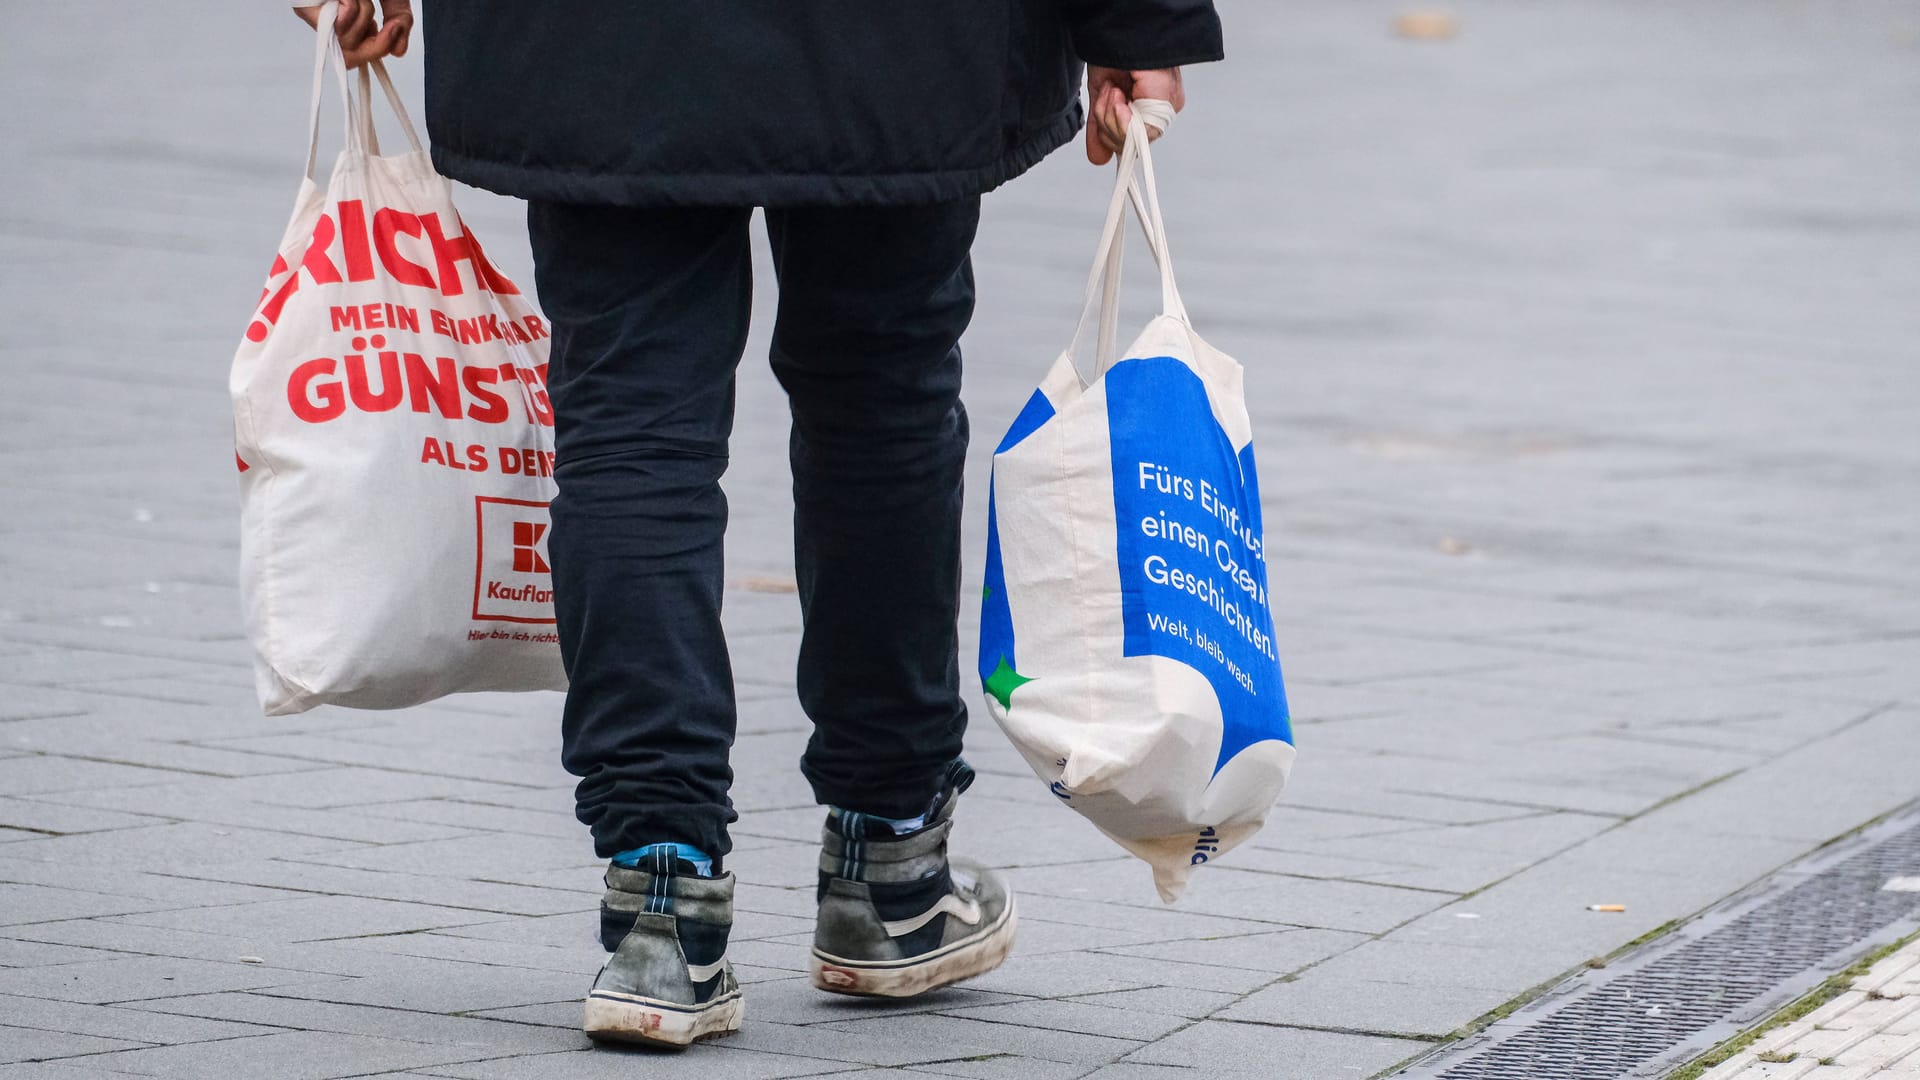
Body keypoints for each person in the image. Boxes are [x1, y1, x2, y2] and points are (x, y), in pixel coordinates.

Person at [292, 0, 1223, 1048]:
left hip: (598, 42)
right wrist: (1139, 24)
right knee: (881, 392)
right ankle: (892, 870)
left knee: (631, 412)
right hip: (895, 44)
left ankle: (662, 899)